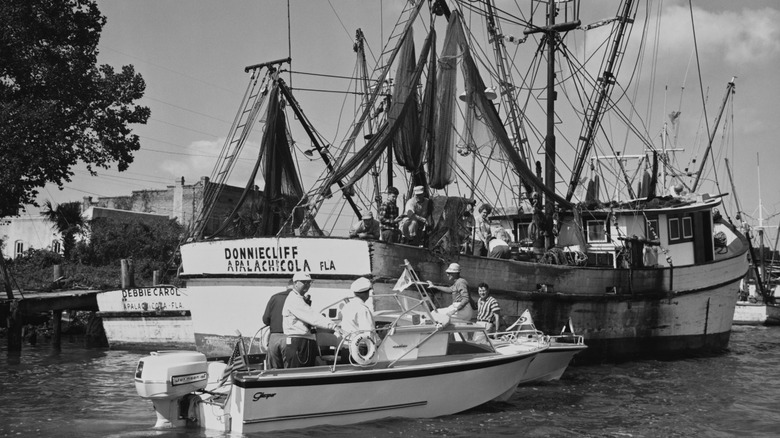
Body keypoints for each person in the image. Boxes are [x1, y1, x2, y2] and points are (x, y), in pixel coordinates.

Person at [282, 272, 342, 368]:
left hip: (302, 342)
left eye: (309, 282)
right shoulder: (295, 300)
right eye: (304, 282)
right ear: (295, 283)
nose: (307, 285)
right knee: (300, 373)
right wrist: (333, 326)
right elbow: (313, 317)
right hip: (299, 343)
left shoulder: (298, 298)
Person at [261, 279, 293, 369]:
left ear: (287, 287)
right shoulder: (299, 299)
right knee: (290, 370)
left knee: (273, 371)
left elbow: (265, 319)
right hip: (290, 338)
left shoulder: (274, 297)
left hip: (274, 338)